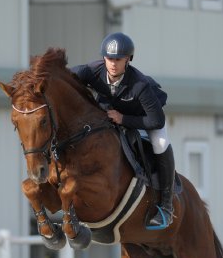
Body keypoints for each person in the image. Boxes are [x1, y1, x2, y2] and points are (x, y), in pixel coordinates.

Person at [71, 32, 175, 229]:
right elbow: (65, 78)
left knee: (160, 143)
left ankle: (167, 206)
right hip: (111, 114)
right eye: (110, 58)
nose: (113, 64)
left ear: (128, 59)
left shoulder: (140, 84)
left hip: (144, 116)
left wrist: (123, 119)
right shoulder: (91, 71)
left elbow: (157, 120)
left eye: (118, 59)